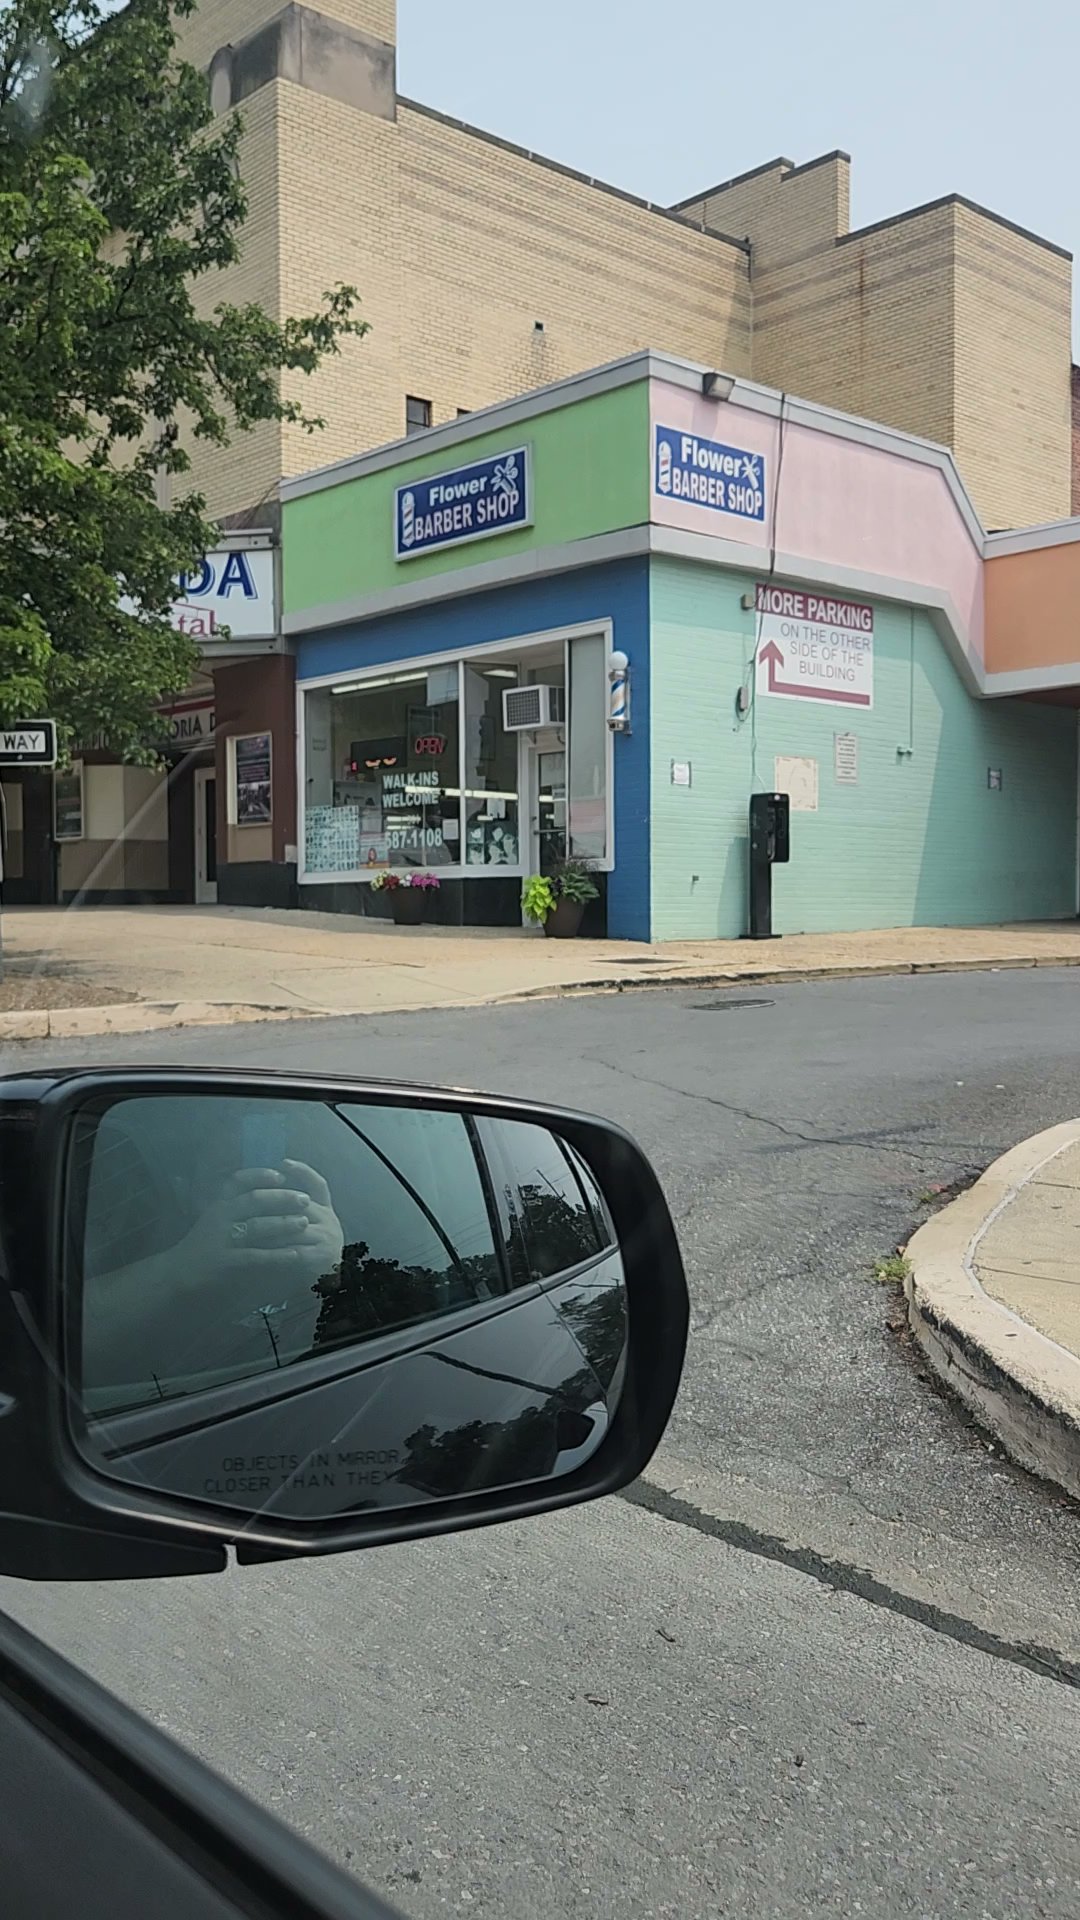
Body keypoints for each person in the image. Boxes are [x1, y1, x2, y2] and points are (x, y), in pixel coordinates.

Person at [79, 1098, 345, 1410]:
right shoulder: (153, 1278)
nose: (268, 1197)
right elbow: (60, 1342)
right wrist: (179, 1269)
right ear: (185, 1190)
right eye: (236, 1176)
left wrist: (333, 1278)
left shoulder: (347, 1271)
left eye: (288, 1179)